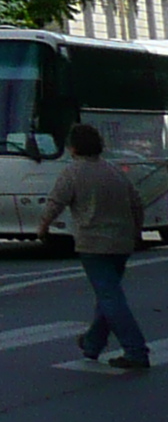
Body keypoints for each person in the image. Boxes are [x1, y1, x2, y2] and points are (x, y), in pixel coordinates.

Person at [37, 121, 151, 371]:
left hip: (93, 244)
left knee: (110, 298)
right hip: (122, 243)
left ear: (73, 147)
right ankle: (92, 344)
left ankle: (136, 350)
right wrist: (137, 232)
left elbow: (56, 202)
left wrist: (43, 226)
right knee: (107, 295)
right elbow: (137, 204)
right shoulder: (114, 171)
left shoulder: (73, 172)